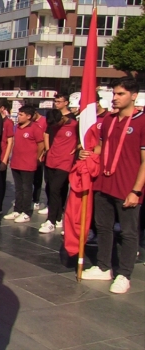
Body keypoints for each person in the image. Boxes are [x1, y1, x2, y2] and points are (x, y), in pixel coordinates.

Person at [81, 77, 143, 294]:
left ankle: (124, 274)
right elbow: (103, 147)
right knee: (103, 228)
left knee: (128, 232)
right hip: (104, 183)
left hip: (127, 186)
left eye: (120, 94)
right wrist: (88, 152)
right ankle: (104, 266)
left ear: (133, 96)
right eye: (114, 94)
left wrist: (136, 190)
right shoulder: (108, 120)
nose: (115, 98)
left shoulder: (141, 121)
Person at [3, 105, 45, 223]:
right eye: (18, 114)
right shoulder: (17, 127)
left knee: (27, 189)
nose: (18, 117)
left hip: (28, 164)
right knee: (18, 188)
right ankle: (17, 210)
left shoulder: (35, 128)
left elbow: (41, 144)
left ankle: (26, 212)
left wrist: (36, 158)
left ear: (28, 116)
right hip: (16, 162)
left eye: (21, 115)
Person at [39, 109, 78, 233]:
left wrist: (78, 147)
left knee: (56, 189)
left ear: (62, 118)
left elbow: (86, 137)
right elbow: (46, 134)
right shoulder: (52, 124)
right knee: (51, 189)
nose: (55, 126)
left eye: (56, 124)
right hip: (51, 160)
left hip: (65, 162)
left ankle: (50, 221)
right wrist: (47, 150)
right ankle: (58, 217)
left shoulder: (74, 125)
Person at [0, 99, 14, 213]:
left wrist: (5, 160)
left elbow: (10, 141)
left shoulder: (8, 122)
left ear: (2, 109)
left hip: (2, 156)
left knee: (0, 183)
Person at [31, 109, 48, 210]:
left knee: (38, 178)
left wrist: (42, 153)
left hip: (41, 153)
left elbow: (45, 138)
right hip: (30, 153)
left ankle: (36, 199)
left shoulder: (44, 121)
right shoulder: (30, 122)